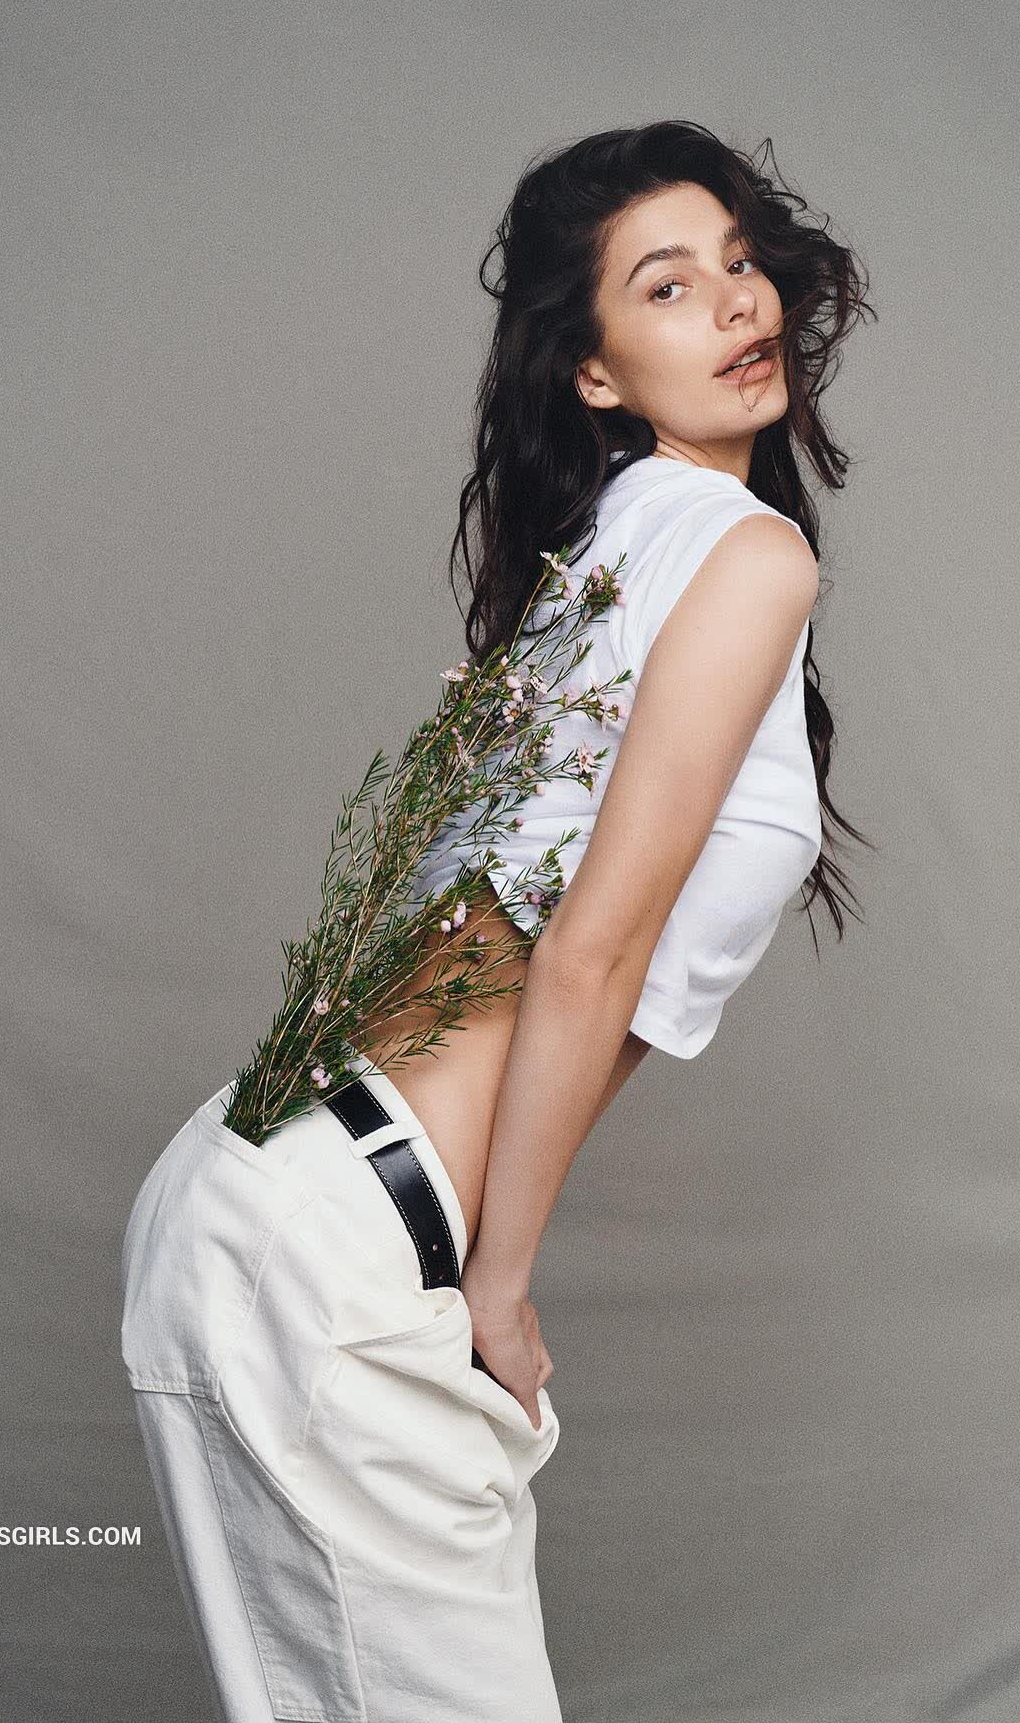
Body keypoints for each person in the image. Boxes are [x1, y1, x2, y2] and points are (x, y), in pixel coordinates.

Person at [119, 118, 875, 1723]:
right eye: (667, 286)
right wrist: (500, 1288)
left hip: (249, 1191)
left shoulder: (598, 555)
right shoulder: (745, 557)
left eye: (739, 262)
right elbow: (592, 948)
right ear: (594, 371)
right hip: (349, 1247)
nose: (735, 301)